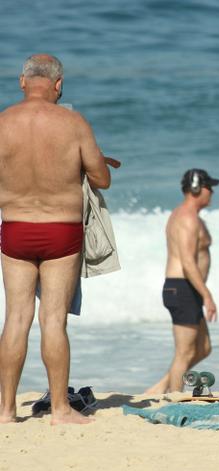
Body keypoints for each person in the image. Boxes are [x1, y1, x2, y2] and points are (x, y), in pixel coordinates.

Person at [0, 54, 119, 424]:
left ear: (22, 82)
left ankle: (4, 411)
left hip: (15, 229)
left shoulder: (2, 123)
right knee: (53, 321)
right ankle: (61, 410)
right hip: (61, 232)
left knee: (16, 318)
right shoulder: (72, 122)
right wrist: (93, 159)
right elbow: (102, 180)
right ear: (58, 85)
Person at [145, 169, 219, 394]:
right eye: (209, 187)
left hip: (186, 289)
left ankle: (159, 389)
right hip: (183, 288)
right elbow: (188, 262)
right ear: (197, 188)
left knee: (203, 348)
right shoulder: (187, 219)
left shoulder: (186, 216)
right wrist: (207, 295)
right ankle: (175, 400)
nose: (212, 192)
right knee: (184, 354)